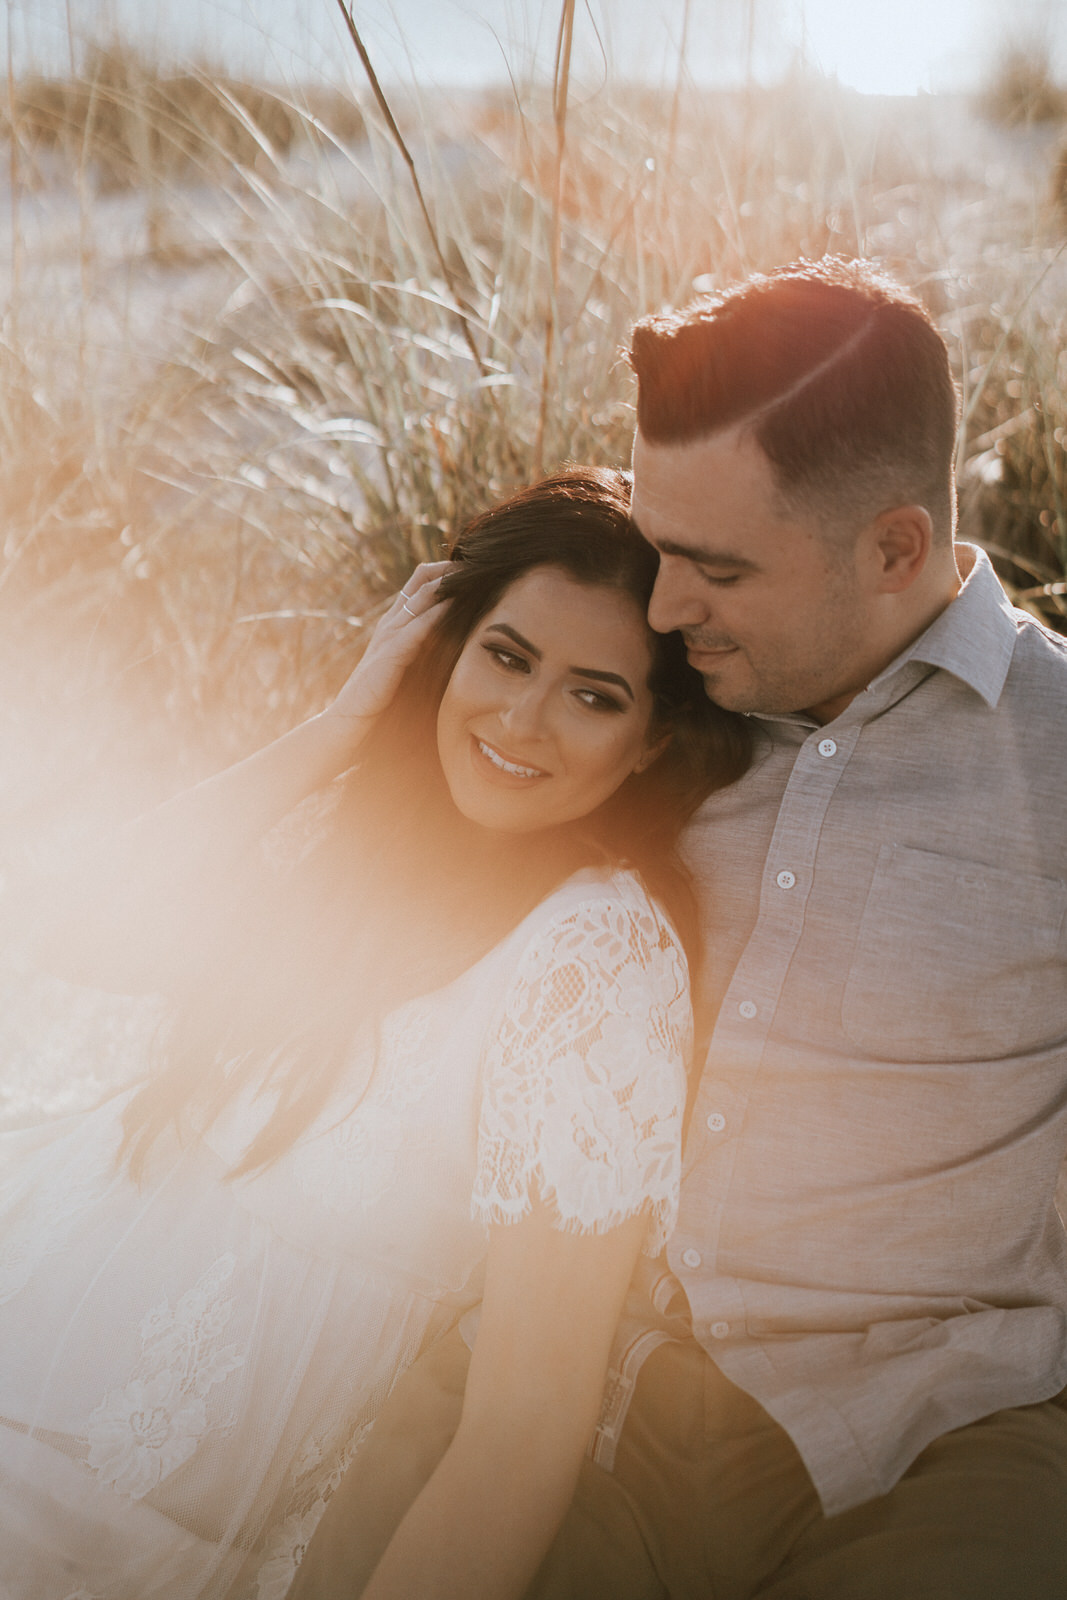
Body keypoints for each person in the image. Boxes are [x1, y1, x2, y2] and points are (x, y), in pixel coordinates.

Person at [291, 257, 1067, 1600]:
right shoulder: (636, 706)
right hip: (567, 1386)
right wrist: (330, 733)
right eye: (656, 553)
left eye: (711, 569)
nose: (658, 611)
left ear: (892, 548)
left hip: (938, 1430)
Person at [0, 466, 752, 1600]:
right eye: (504, 656)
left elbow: (527, 1423)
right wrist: (339, 724)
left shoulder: (595, 961)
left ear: (650, 742)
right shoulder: (379, 849)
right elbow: (71, 925)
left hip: (135, 1501)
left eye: (593, 695)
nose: (520, 719)